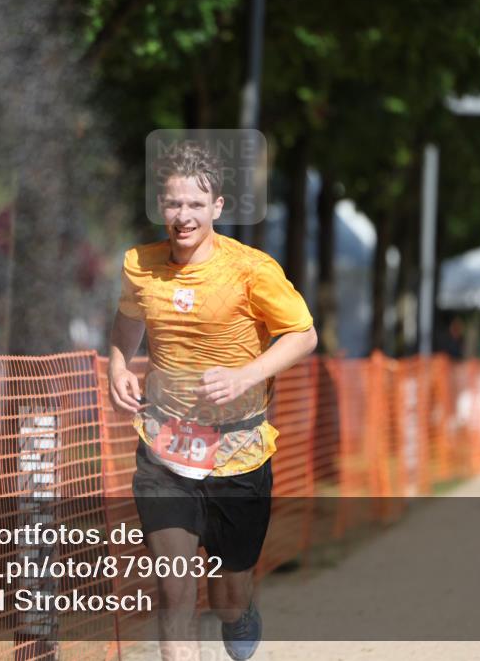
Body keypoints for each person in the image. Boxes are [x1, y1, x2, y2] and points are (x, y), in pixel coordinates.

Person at [107, 141, 317, 661]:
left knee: (228, 597)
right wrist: (117, 363)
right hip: (165, 449)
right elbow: (129, 320)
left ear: (217, 208)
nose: (183, 217)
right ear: (161, 204)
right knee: (174, 589)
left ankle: (241, 613)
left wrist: (247, 374)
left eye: (195, 206)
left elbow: (303, 334)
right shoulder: (140, 265)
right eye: (174, 204)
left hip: (239, 454)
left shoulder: (251, 269)